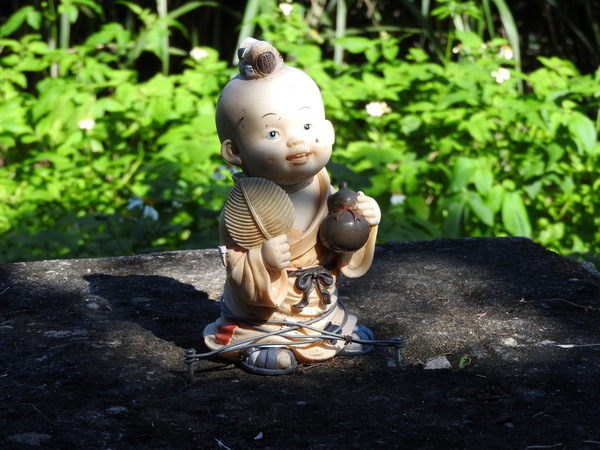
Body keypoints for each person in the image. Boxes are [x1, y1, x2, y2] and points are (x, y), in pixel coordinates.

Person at [203, 37, 381, 375]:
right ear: (233, 152)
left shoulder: (325, 188)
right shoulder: (245, 207)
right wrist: (263, 259)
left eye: (307, 126)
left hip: (320, 303)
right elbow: (237, 261)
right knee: (264, 328)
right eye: (273, 134)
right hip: (266, 315)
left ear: (329, 131)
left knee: (328, 319)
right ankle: (267, 340)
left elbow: (341, 248)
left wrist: (366, 222)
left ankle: (324, 328)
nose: (297, 140)